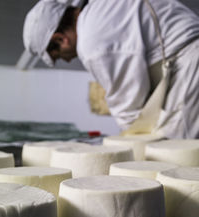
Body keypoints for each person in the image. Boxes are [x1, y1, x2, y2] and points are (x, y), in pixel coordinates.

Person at [23, 0, 199, 139]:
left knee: (176, 147)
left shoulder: (92, 43)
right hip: (189, 55)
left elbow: (129, 108)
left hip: (190, 66)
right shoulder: (102, 6)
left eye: (59, 56)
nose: (67, 60)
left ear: (61, 39)